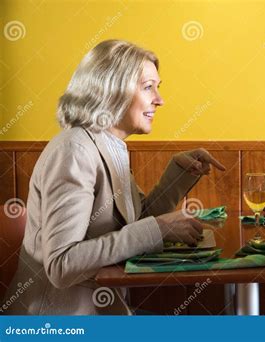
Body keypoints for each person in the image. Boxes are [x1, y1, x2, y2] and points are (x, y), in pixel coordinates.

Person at [3, 39, 226, 315]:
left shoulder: (108, 144)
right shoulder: (75, 151)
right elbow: (61, 265)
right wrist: (159, 228)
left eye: (158, 87)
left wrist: (177, 174)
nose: (159, 99)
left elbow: (136, 220)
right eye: (148, 88)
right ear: (111, 90)